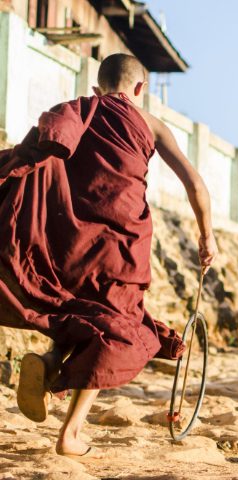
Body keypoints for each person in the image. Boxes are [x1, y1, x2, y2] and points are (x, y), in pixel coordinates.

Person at [0, 53, 218, 457]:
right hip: (119, 244)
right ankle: (71, 434)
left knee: (82, 309)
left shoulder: (85, 110)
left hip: (69, 240)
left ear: (99, 88)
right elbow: (196, 185)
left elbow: (50, 152)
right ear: (140, 89)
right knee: (118, 329)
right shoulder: (150, 124)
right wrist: (207, 237)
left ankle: (50, 364)